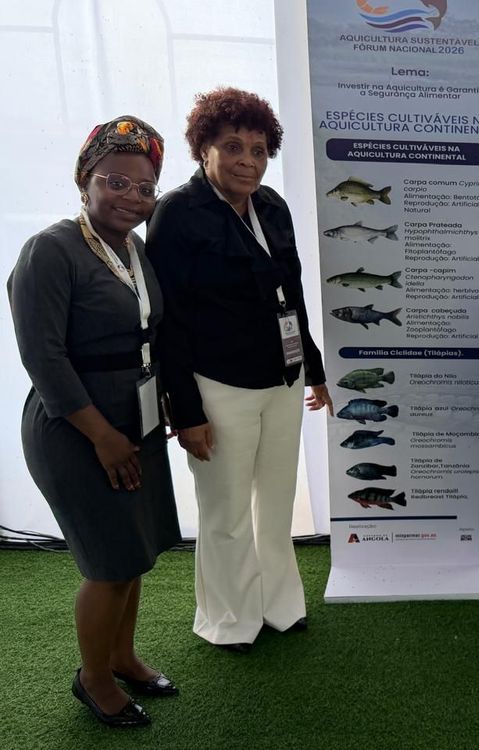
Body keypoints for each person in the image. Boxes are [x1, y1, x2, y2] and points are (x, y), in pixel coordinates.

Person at [146, 87, 332, 652]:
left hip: (283, 380)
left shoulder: (272, 206)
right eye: (232, 147)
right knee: (226, 509)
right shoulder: (177, 214)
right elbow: (168, 321)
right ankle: (229, 619)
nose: (248, 161)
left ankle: (278, 606)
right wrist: (186, 412)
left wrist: (315, 369)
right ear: (203, 148)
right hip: (218, 385)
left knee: (274, 502)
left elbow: (291, 296)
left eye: (258, 149)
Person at [8, 117, 179, 727]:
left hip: (134, 420)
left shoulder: (133, 249)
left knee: (133, 555)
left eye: (146, 188)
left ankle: (123, 657)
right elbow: (43, 356)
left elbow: (147, 334)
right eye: (116, 181)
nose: (132, 197)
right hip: (78, 429)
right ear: (84, 180)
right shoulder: (50, 251)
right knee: (108, 564)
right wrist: (102, 435)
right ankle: (94, 678)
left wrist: (156, 406)